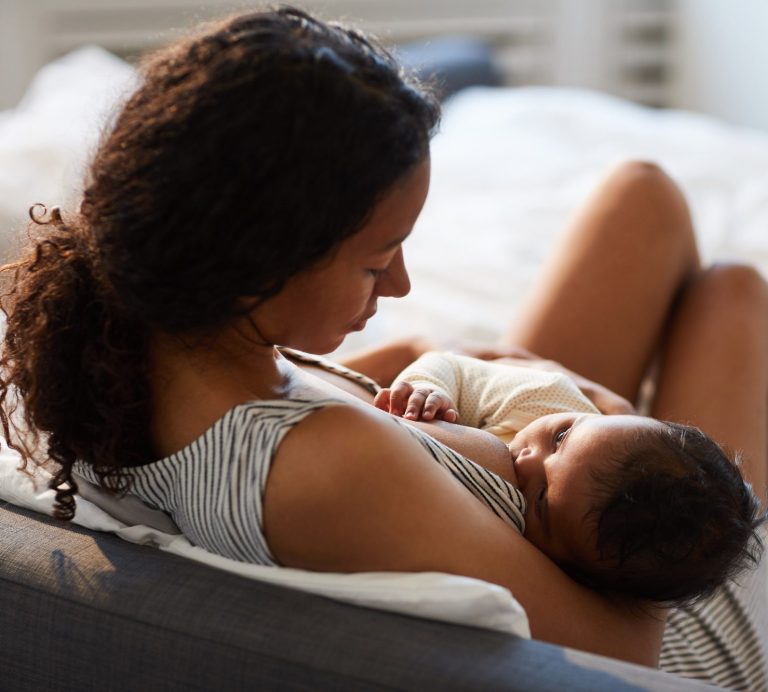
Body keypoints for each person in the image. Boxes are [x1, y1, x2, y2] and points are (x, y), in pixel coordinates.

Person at [0, 7, 766, 689]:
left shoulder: (142, 346)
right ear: (261, 260)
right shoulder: (328, 465)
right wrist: (608, 419)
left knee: (643, 194)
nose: (399, 283)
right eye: (375, 261)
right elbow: (625, 658)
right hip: (683, 609)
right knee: (736, 294)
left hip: (532, 485)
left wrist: (439, 368)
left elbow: (352, 394)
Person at [374, 351, 765, 605]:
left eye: (542, 498)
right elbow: (453, 366)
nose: (527, 460)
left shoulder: (552, 567)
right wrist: (430, 388)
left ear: (574, 573)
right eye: (560, 438)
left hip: (731, 627)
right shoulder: (548, 399)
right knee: (734, 281)